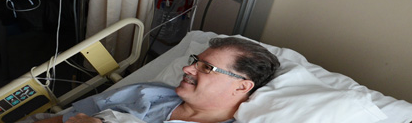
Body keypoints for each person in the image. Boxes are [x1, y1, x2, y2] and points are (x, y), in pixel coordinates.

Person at [33, 37, 280, 123]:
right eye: (195, 60)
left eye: (206, 67)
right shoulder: (150, 93)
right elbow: (64, 119)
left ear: (242, 85)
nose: (187, 68)